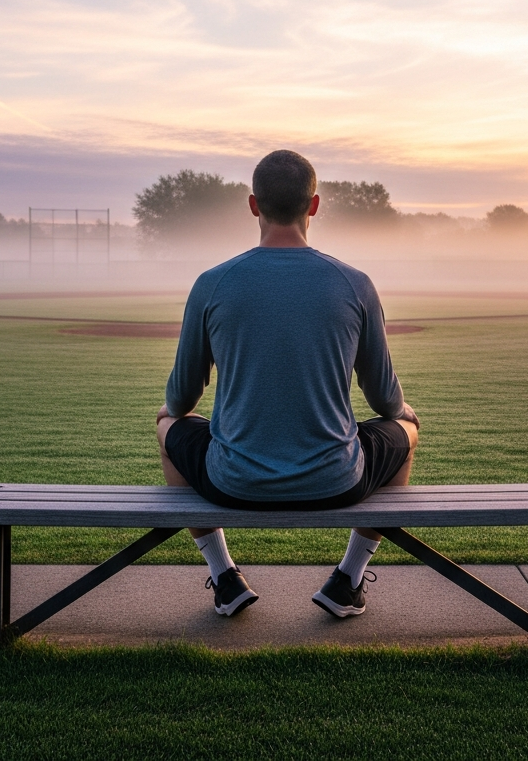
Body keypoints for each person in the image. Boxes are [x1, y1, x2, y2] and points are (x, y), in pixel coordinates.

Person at [156, 149, 419, 618]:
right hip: (337, 479)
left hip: (231, 480)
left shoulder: (212, 284)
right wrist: (403, 414)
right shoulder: (354, 283)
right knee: (408, 429)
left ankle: (224, 577)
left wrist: (172, 413)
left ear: (254, 205)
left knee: (166, 425)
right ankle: (348, 581)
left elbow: (180, 400)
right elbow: (383, 398)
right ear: (314, 205)